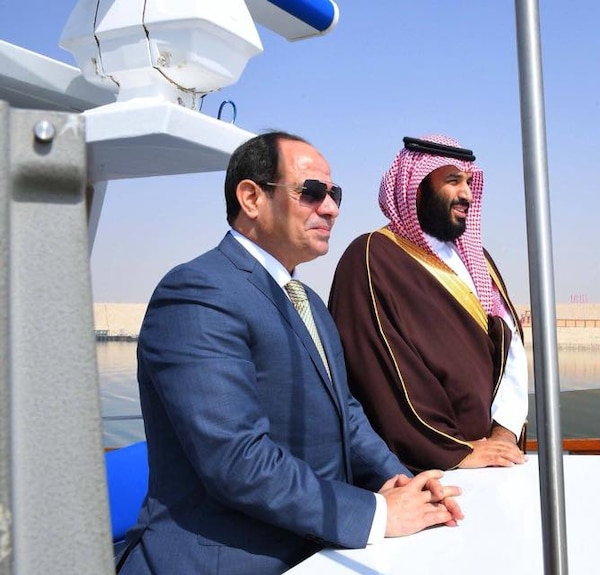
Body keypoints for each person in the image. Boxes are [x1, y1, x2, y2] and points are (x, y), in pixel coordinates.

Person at [119, 132, 462, 575]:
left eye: (333, 193)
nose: (332, 208)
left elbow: (347, 413)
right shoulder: (198, 293)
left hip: (315, 546)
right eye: (312, 192)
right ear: (251, 198)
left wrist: (397, 480)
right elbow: (237, 460)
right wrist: (378, 514)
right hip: (227, 558)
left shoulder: (308, 303)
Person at [328, 134, 528, 473]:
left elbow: (511, 349)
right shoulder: (372, 256)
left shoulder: (479, 260)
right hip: (415, 471)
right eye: (452, 181)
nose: (466, 193)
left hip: (491, 457)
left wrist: (505, 433)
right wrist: (453, 450)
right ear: (416, 188)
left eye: (468, 181)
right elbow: (382, 375)